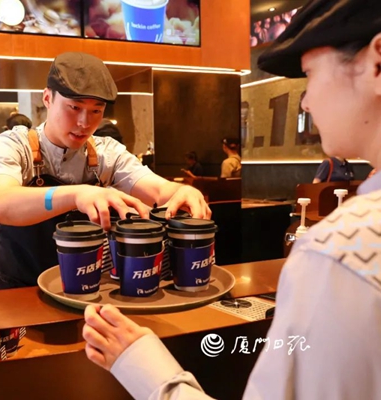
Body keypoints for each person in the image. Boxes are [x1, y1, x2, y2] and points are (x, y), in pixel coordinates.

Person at [83, 1, 381, 398]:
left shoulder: (340, 251)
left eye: (309, 73)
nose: (306, 101)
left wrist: (139, 363)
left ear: (377, 63)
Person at [0, 52, 209, 290]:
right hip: (19, 289)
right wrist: (77, 195)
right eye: (74, 107)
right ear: (47, 98)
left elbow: (156, 188)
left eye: (96, 111)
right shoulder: (14, 145)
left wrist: (182, 191)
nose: (84, 123)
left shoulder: (107, 152)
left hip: (83, 288)